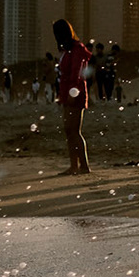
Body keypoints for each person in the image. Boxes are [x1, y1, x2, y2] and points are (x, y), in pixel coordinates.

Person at [53, 19, 91, 174]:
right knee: (69, 130)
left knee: (73, 130)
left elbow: (76, 74)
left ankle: (83, 165)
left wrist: (72, 93)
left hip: (75, 94)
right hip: (67, 93)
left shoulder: (77, 50)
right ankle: (74, 165)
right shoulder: (69, 50)